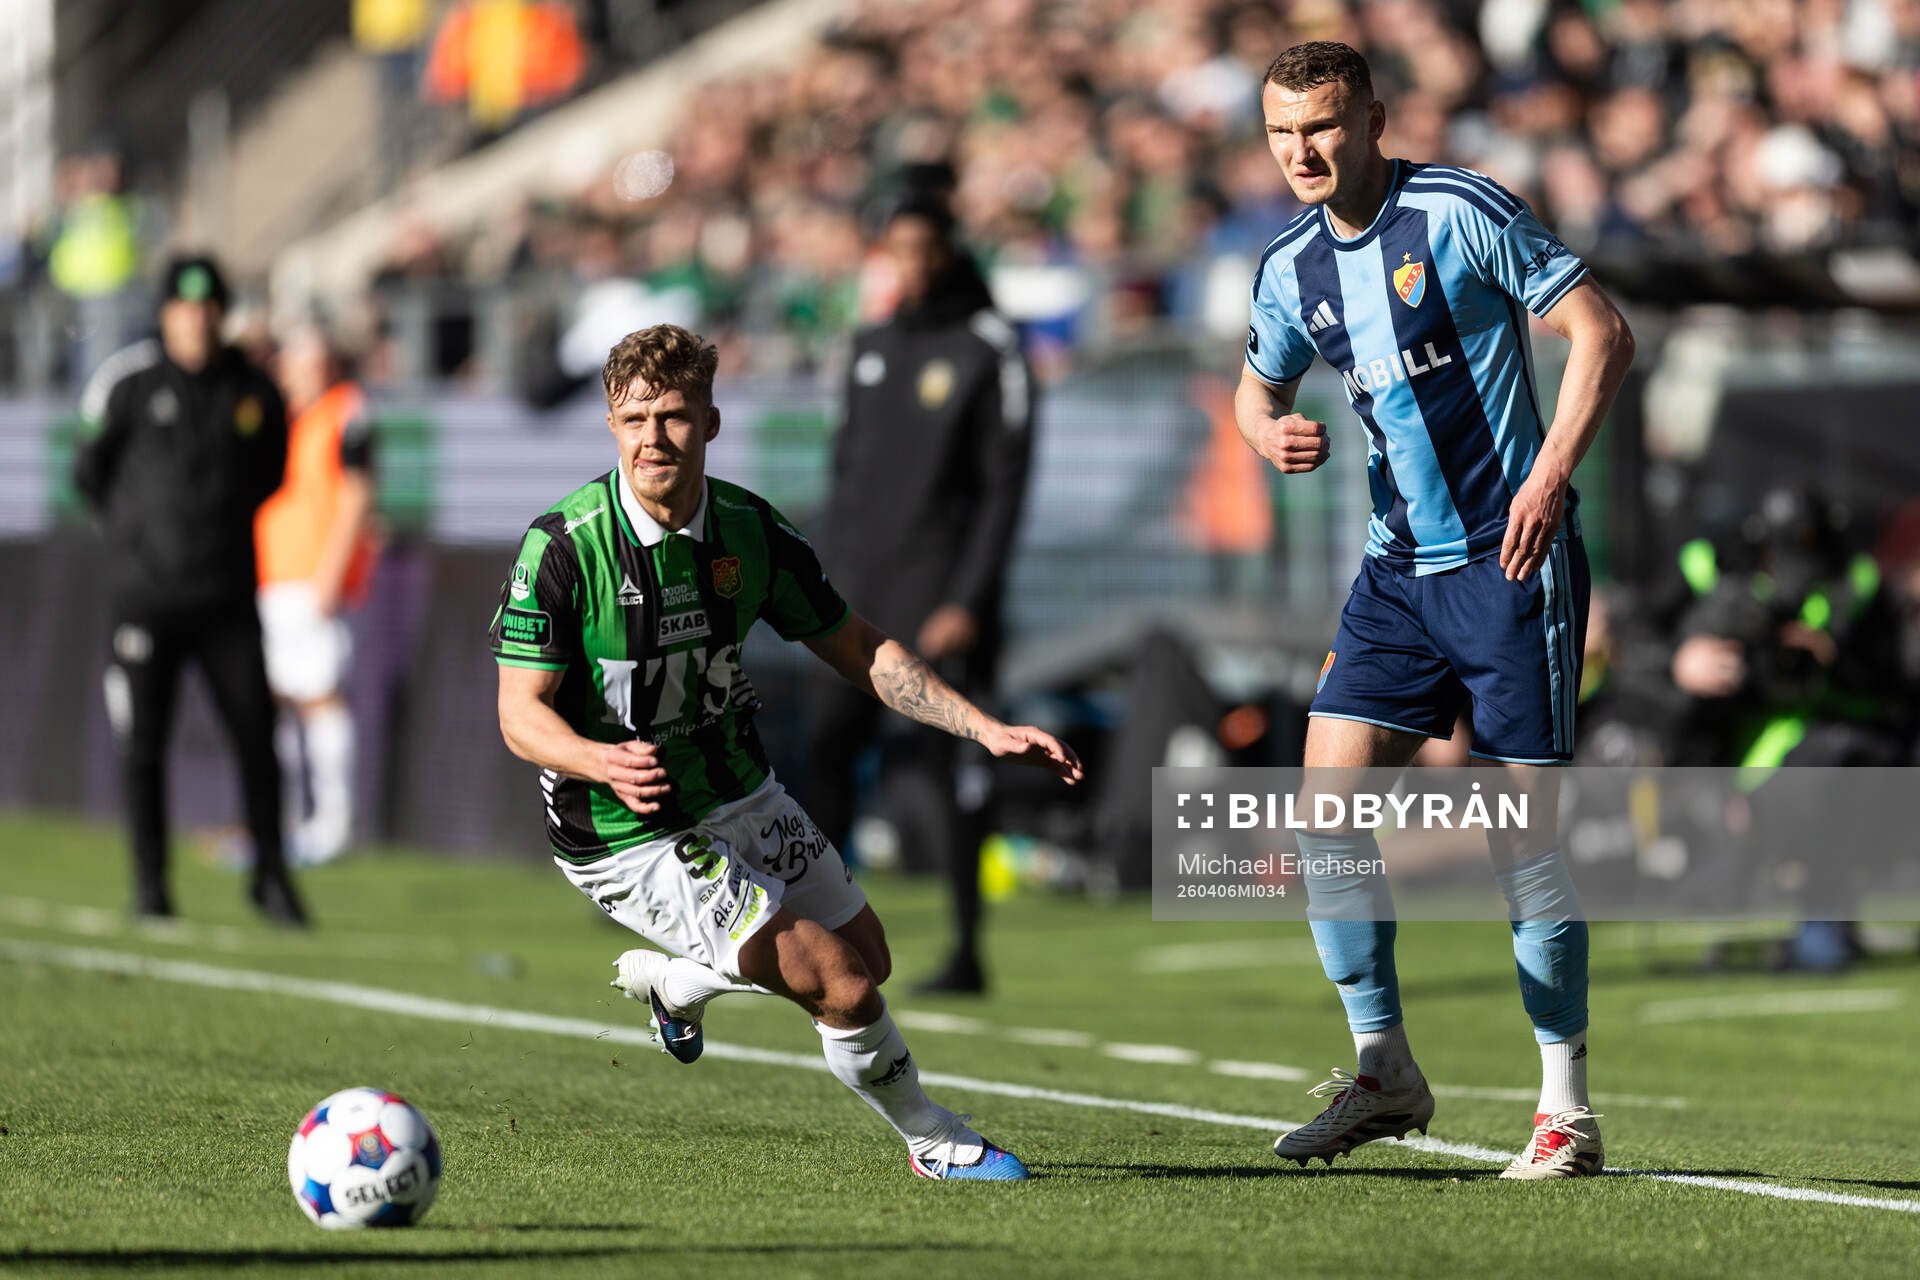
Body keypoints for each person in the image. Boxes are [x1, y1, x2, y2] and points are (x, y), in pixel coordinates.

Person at [491, 324, 1081, 1180]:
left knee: (869, 955)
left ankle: (680, 985)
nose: (655, 438)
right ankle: (934, 1139)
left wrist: (982, 727)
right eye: (635, 419)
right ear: (611, 425)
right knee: (841, 983)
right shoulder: (564, 547)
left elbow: (858, 647)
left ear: (711, 421)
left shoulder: (750, 531)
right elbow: (519, 715)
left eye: (675, 416)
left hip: (739, 786)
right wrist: (598, 759)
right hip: (626, 826)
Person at [1235, 44, 1635, 1178]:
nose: (1301, 151)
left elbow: (1602, 332)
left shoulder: (1458, 210)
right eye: (1281, 132)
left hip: (1511, 561)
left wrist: (1549, 479)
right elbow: (1254, 389)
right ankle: (1384, 1070)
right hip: (1396, 574)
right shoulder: (1289, 266)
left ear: (1372, 119)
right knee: (1324, 818)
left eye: (1321, 125)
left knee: (1522, 844)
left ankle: (1566, 1110)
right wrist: (1267, 432)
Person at [810, 193, 1035, 994]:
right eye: (897, 249)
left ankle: (968, 948)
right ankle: (817, 928)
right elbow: (846, 475)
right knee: (826, 751)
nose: (911, 264)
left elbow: (1005, 489)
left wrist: (967, 600)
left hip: (940, 599)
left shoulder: (989, 347)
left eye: (924, 249)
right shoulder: (869, 345)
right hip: (857, 600)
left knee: (954, 765)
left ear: (948, 251)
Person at [72, 254, 309, 926]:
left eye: (207, 308)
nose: (196, 320)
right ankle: (151, 885)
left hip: (227, 599)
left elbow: (270, 474)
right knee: (143, 746)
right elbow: (89, 472)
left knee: (257, 737)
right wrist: (139, 542)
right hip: (146, 601)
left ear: (222, 314)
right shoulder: (128, 382)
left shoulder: (253, 391)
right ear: (164, 314)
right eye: (184, 307)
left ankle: (271, 876)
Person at [256, 324, 380, 867]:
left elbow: (358, 493)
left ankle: (333, 823)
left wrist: (333, 569)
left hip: (314, 579)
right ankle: (281, 821)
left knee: (320, 696)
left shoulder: (346, 410)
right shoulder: (283, 417)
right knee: (276, 700)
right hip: (273, 575)